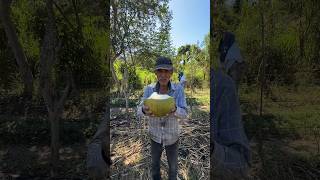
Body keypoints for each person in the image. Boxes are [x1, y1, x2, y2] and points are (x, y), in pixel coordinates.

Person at [137, 57, 188, 180]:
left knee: (173, 168)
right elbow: (138, 110)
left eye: (167, 71)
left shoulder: (178, 90)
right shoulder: (149, 89)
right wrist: (144, 110)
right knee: (154, 166)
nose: (163, 75)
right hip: (155, 136)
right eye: (160, 71)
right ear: (156, 73)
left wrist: (175, 110)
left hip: (172, 137)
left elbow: (185, 113)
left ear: (171, 73)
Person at [210, 32, 251, 180]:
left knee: (231, 88)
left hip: (229, 72)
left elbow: (233, 67)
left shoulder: (222, 85)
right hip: (228, 70)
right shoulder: (227, 45)